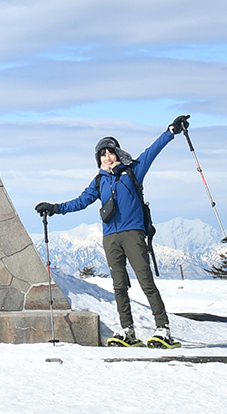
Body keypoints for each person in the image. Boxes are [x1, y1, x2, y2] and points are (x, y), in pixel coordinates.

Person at [36, 114, 191, 347]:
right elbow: (80, 202)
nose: (108, 157)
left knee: (145, 281)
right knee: (119, 285)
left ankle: (163, 328)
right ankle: (127, 330)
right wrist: (55, 208)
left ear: (118, 153)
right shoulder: (99, 181)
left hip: (133, 233)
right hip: (110, 238)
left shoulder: (133, 171)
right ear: (98, 159)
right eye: (103, 154)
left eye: (110, 152)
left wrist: (171, 131)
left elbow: (152, 150)